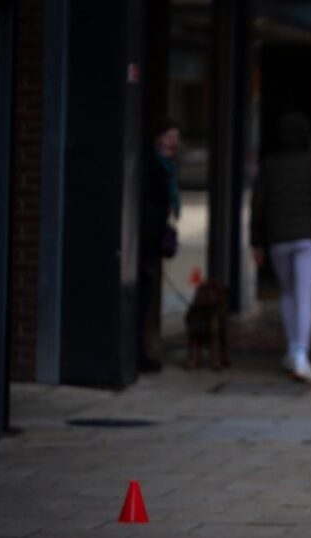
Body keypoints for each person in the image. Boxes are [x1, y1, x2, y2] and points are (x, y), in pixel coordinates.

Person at [250, 111, 311, 383]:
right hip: (306, 237)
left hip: (277, 238)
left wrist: (256, 242)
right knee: (304, 294)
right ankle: (300, 354)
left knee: (287, 293)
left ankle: (291, 349)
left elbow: (258, 206)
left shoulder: (270, 165)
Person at [139, 117, 183, 373]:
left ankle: (143, 351)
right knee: (143, 296)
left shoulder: (169, 168)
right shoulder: (151, 165)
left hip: (154, 238)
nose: (173, 143)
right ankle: (139, 353)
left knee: (148, 296)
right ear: (157, 138)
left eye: (176, 138)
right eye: (168, 137)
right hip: (146, 237)